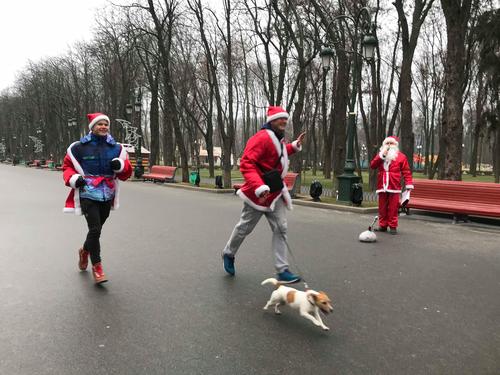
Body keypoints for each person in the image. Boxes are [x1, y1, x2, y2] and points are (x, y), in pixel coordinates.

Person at [222, 105, 306, 283]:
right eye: (280, 119)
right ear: (271, 121)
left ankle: (282, 270)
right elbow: (246, 163)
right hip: (258, 195)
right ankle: (228, 253)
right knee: (245, 227)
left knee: (281, 228)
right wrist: (260, 187)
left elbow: (278, 154)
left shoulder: (278, 138)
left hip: (275, 193)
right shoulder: (261, 138)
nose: (284, 121)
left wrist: (293, 146)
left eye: (285, 118)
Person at [63, 113, 132, 284]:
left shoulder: (116, 148)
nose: (103, 127)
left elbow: (127, 171)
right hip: (87, 192)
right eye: (99, 124)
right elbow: (67, 167)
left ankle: (84, 250)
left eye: (105, 124)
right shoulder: (79, 147)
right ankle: (97, 267)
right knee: (95, 229)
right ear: (92, 127)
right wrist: (73, 178)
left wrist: (121, 166)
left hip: (107, 194)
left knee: (97, 229)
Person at [370, 136, 413, 234]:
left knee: (393, 207)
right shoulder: (380, 156)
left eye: (391, 143)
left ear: (395, 145)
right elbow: (372, 165)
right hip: (382, 185)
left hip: (394, 185)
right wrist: (381, 156)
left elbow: (406, 171)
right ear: (384, 145)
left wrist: (408, 184)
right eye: (387, 143)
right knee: (382, 207)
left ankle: (393, 226)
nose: (389, 145)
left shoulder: (401, 156)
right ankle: (383, 225)